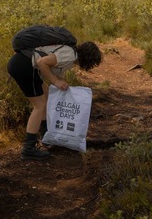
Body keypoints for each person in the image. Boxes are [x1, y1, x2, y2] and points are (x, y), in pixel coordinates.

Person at [7, 27, 102, 161]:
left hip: (23, 64)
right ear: (89, 59)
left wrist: (63, 85)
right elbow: (42, 62)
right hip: (24, 67)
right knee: (39, 106)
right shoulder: (69, 54)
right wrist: (55, 81)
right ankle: (29, 149)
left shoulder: (70, 57)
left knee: (48, 97)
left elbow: (53, 71)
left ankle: (46, 136)